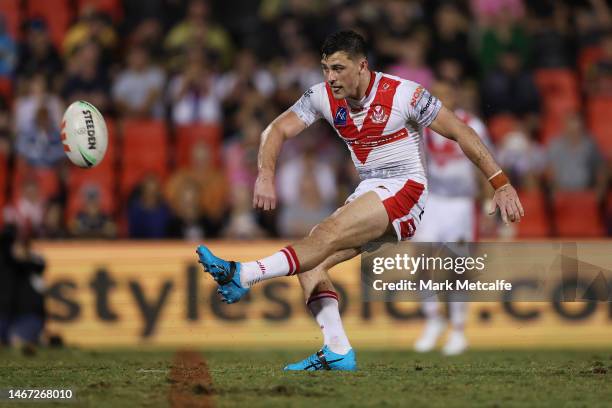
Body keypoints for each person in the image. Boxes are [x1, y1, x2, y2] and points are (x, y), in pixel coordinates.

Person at [196, 30, 524, 371]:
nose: (331, 78)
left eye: (338, 68)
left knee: (326, 233)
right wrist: (265, 173)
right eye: (325, 68)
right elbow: (276, 129)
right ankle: (337, 349)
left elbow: (460, 131)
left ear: (362, 66)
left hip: (406, 190)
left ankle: (243, 273)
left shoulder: (404, 95)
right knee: (311, 264)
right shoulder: (322, 97)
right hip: (369, 190)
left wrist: (500, 183)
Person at [412, 80, 491, 356]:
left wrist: (490, 201)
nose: (441, 100)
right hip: (433, 202)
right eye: (438, 95)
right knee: (421, 261)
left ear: (455, 96)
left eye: (446, 95)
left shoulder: (474, 126)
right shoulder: (424, 127)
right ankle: (434, 318)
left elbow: (484, 163)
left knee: (458, 269)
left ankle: (458, 331)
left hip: (462, 204)